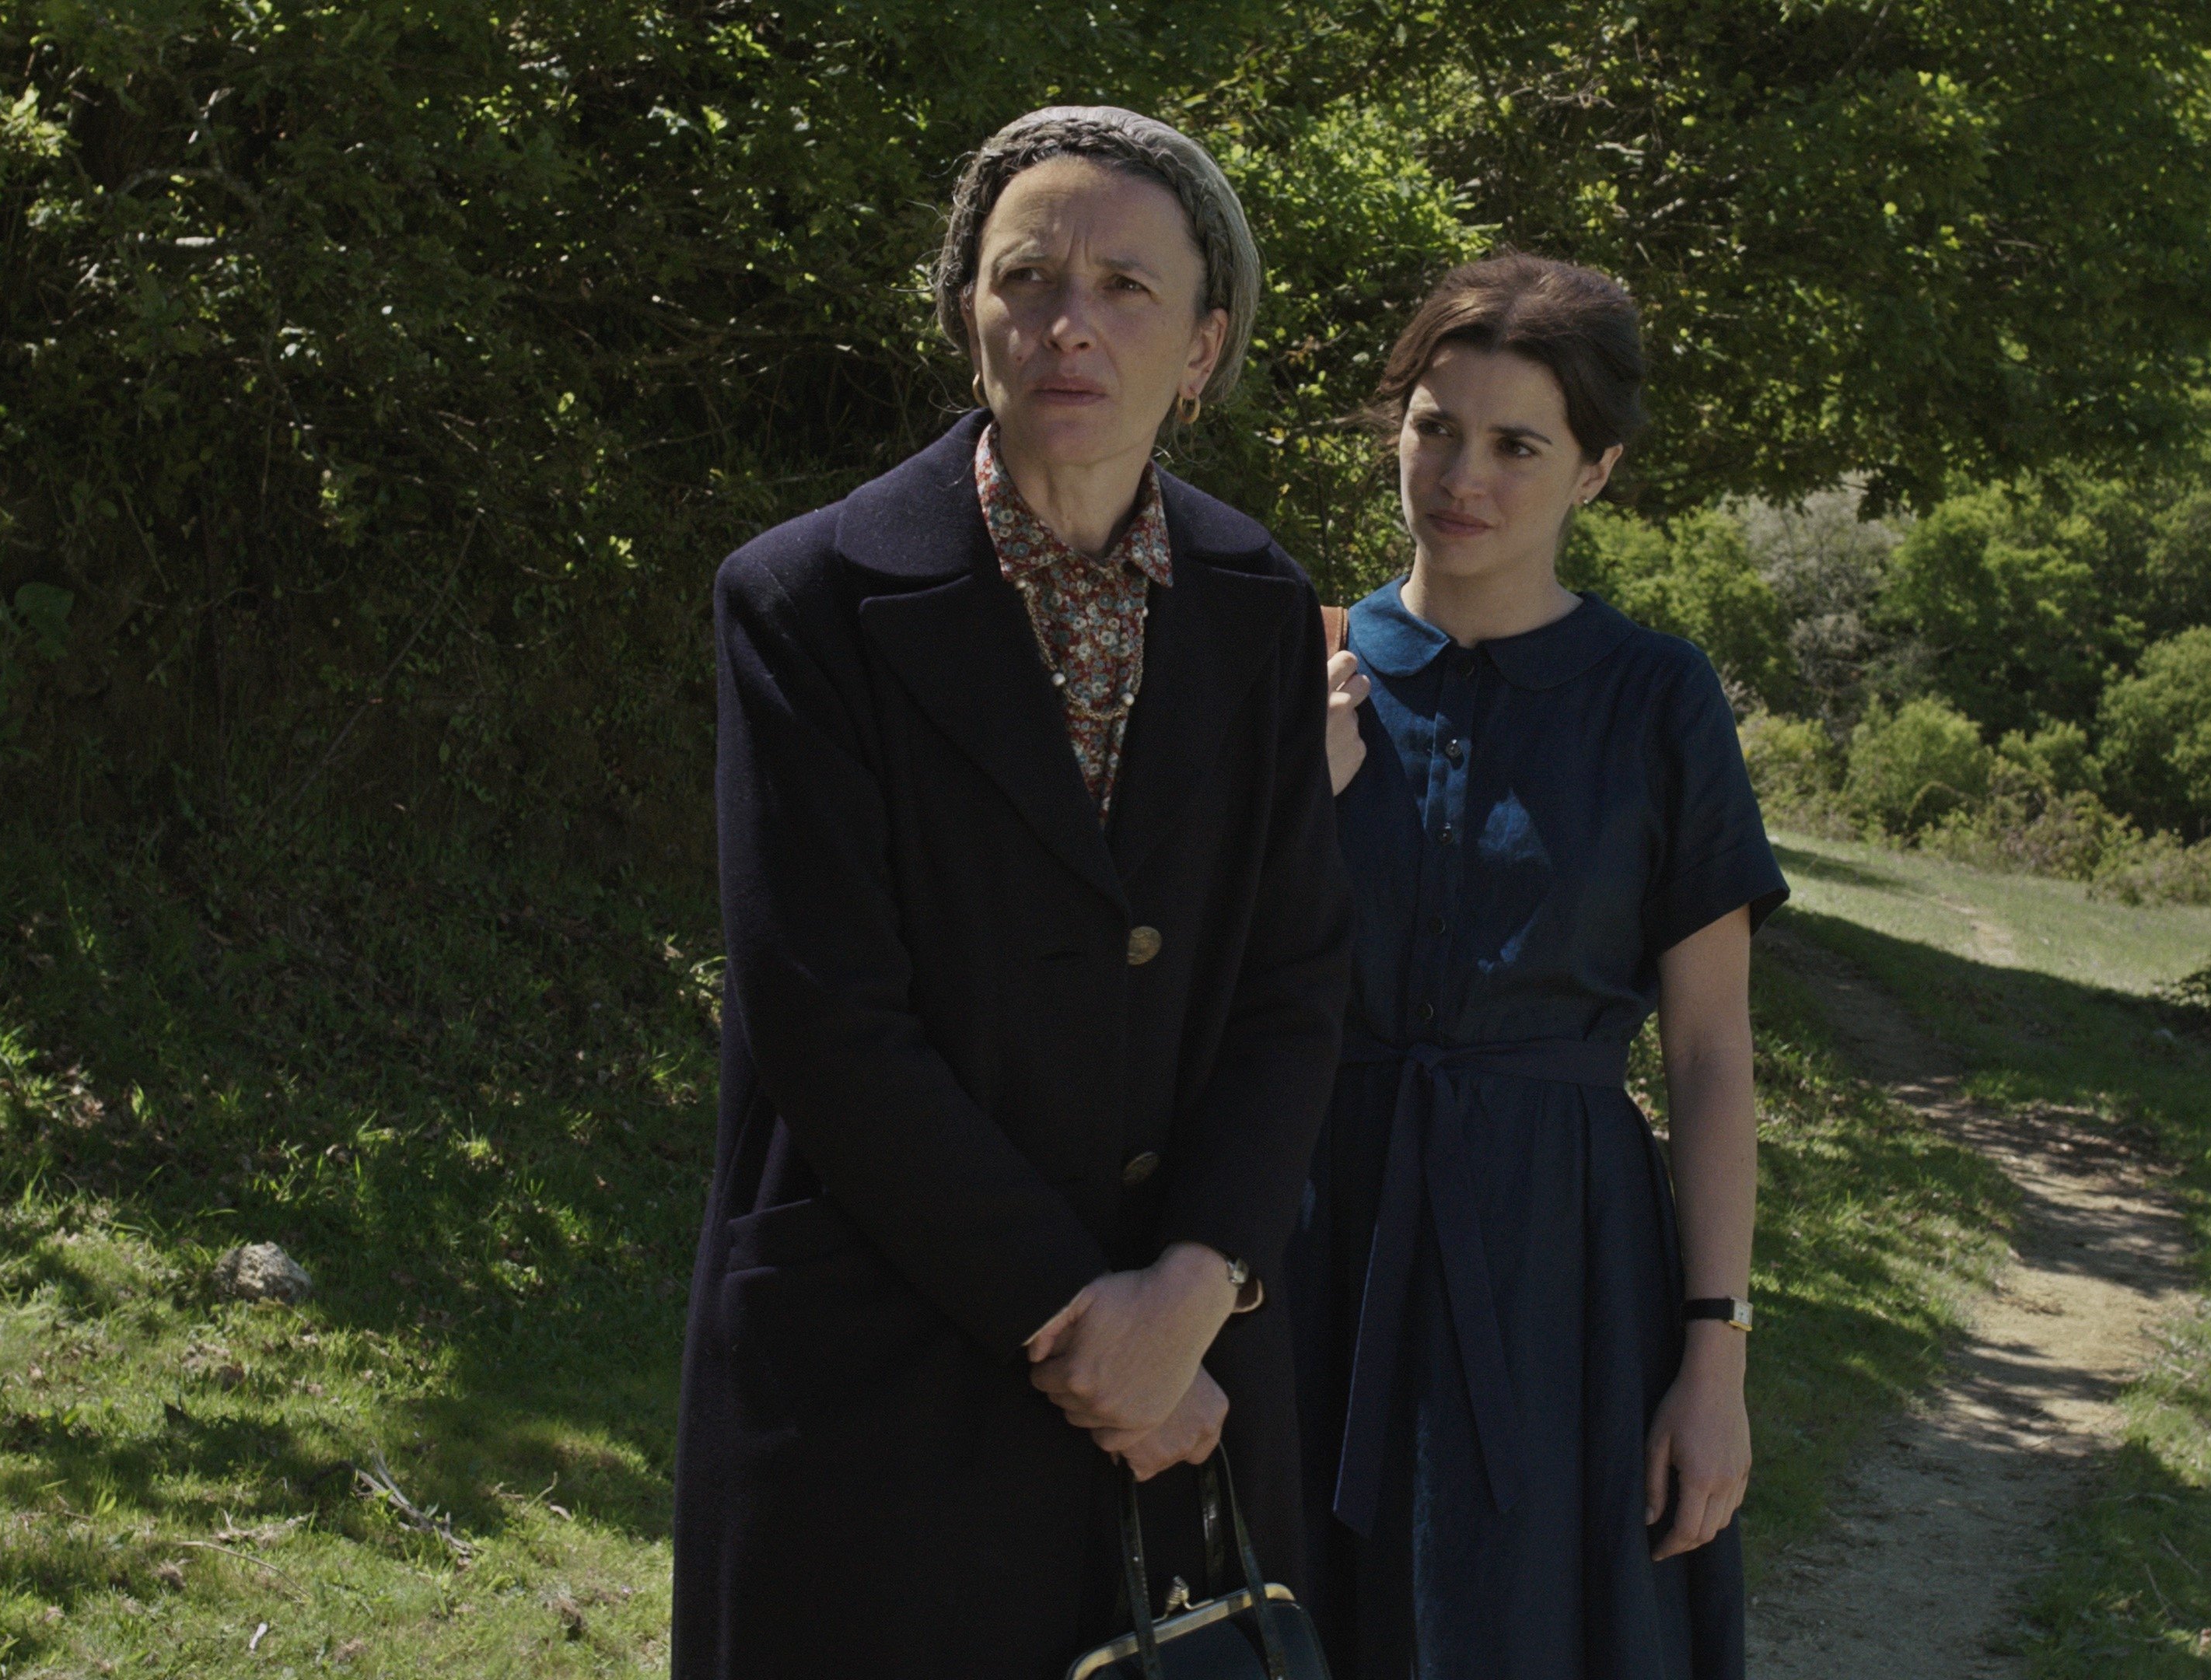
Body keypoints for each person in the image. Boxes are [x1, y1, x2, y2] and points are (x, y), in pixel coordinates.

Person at [673, 107, 1352, 1676]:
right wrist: (1079, 1322)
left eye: (1127, 287)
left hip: (1183, 1366)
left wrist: (1198, 1281)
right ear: (963, 312)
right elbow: (824, 1013)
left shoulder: (1260, 608)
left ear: (1203, 347)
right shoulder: (806, 599)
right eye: (1027, 276)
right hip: (884, 1355)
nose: (1069, 325)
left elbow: (1297, 979)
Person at [1294, 254, 1787, 1678]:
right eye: (1435, 428)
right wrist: (1289, 799)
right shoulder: (1299, 670)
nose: (1464, 478)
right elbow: (1200, 989)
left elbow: (1710, 1054)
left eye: (1519, 445)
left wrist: (1714, 1357)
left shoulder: (1657, 700)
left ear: (1596, 472)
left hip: (1560, 1263)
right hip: (1312, 1230)